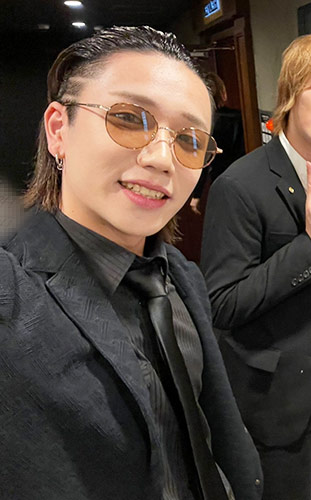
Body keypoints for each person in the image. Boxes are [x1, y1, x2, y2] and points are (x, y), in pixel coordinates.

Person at [0, 26, 262, 500]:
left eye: (190, 140)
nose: (163, 158)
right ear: (59, 130)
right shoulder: (14, 294)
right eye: (128, 118)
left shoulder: (183, 278)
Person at [200, 27, 311, 500]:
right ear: (292, 91)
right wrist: (310, 243)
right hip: (277, 390)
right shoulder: (240, 185)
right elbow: (222, 304)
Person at [190, 73, 246, 215]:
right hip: (243, 177)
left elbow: (204, 161)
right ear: (223, 94)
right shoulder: (241, 117)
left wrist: (197, 194)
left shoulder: (205, 123)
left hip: (220, 180)